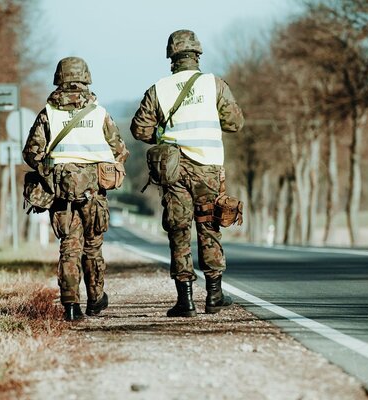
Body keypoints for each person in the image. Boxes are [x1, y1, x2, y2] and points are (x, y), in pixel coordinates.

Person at [130, 30, 244, 317]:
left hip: (174, 170)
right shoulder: (214, 84)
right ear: (197, 54)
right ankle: (214, 296)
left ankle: (186, 301)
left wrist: (163, 133)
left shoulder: (159, 89)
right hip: (208, 169)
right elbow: (234, 123)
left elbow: (139, 129)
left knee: (179, 231)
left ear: (171, 57)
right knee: (209, 228)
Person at [23, 56, 129, 321]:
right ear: (86, 78)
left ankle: (70, 306)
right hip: (93, 195)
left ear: (59, 79)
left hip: (61, 196)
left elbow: (31, 153)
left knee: (69, 248)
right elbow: (120, 150)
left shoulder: (48, 114)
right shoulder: (99, 113)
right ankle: (95, 300)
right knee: (93, 247)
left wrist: (53, 174)